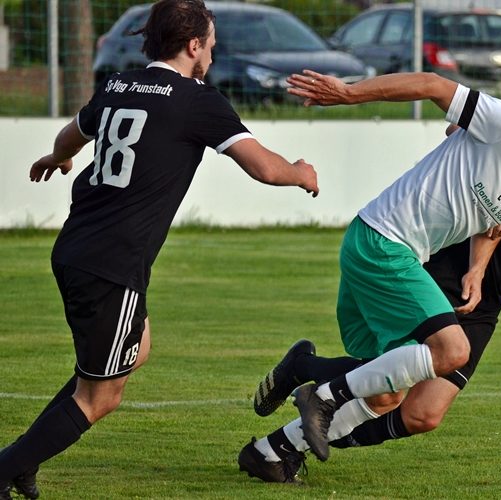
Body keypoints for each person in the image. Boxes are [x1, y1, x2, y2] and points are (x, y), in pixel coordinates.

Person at [239, 91, 501, 483]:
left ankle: (292, 411)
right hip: (440, 271)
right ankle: (290, 427)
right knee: (387, 387)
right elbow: (466, 130)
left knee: (422, 414)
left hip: (487, 299)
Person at [0, 1, 319, 496]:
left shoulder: (119, 84)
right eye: (210, 43)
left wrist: (56, 157)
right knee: (101, 395)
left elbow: (74, 132)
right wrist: (302, 173)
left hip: (77, 249)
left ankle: (24, 458)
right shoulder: (196, 99)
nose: (213, 52)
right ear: (193, 45)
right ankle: (10, 465)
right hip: (113, 264)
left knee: (133, 351)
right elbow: (265, 168)